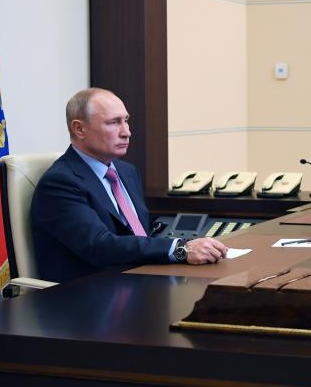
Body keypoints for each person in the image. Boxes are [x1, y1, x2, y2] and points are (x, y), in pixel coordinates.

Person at [31, 88, 228, 282]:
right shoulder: (60, 183)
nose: (127, 132)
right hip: (91, 296)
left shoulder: (127, 172)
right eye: (113, 122)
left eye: (125, 120)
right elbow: (100, 247)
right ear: (79, 129)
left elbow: (137, 235)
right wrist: (181, 248)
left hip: (141, 280)